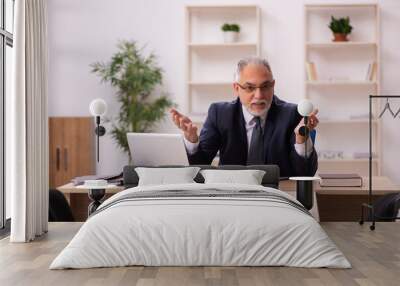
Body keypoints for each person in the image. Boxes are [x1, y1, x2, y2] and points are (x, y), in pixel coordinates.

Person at [170, 57, 319, 177]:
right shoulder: (219, 113)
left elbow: (306, 173)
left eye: (265, 86)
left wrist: (301, 140)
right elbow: (198, 167)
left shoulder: (292, 115)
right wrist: (192, 141)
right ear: (236, 88)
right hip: (232, 195)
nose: (259, 95)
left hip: (278, 195)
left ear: (273, 85)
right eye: (250, 88)